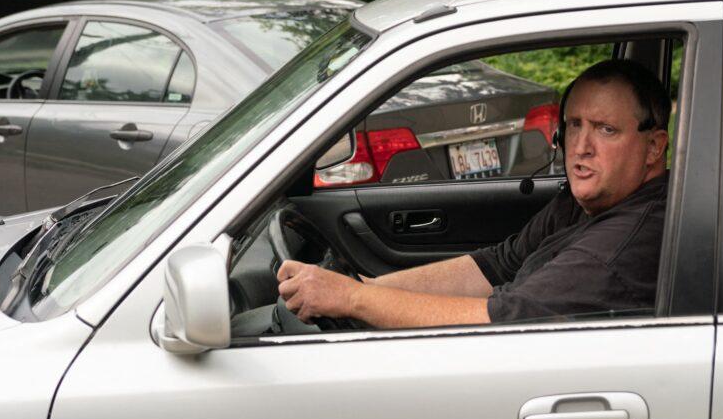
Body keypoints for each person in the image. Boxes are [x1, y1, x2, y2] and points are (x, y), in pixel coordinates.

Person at [276, 58, 672, 328]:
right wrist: (367, 288)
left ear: (654, 147)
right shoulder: (586, 200)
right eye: (574, 125)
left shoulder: (626, 244)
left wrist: (350, 300)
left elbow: (503, 320)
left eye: (606, 130)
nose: (581, 146)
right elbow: (498, 264)